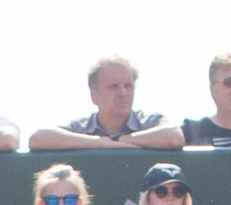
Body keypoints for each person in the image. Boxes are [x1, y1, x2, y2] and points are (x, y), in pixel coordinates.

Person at [31, 56, 179, 152]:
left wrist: (119, 140)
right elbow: (38, 138)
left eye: (128, 86)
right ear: (93, 95)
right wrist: (99, 143)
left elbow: (174, 137)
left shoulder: (149, 123)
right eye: (114, 87)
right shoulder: (80, 129)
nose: (123, 93)